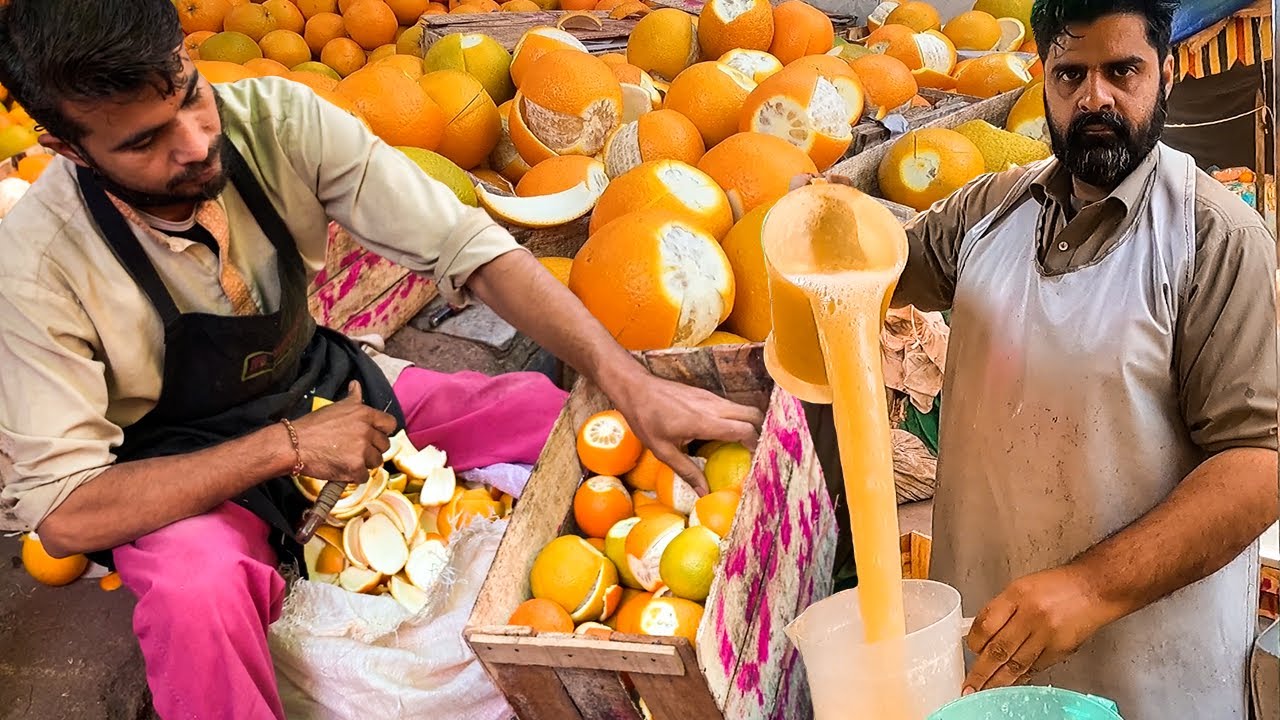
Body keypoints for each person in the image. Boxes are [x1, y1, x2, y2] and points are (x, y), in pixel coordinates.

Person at [0, 1, 763, 717]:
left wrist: (627, 379)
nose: (198, 143)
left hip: (313, 383)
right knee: (197, 596)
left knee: (551, 415)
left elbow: (469, 249)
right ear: (66, 147)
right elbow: (65, 513)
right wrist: (285, 448)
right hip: (176, 468)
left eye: (191, 96)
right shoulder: (35, 264)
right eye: (144, 141)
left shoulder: (275, 123)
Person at [804, 0, 1278, 716]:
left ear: (1167, 72)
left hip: (1154, 680)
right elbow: (865, 271)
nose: (1095, 97)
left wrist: (1091, 588)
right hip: (990, 661)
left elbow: (1259, 465)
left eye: (1123, 71)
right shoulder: (985, 212)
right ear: (1043, 78)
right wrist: (812, 214)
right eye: (1071, 74)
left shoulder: (1215, 241)